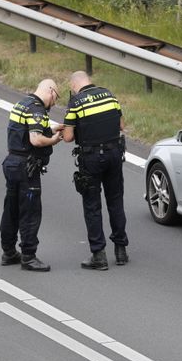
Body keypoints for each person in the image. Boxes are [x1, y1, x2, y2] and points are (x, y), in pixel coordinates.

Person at [63, 71, 129, 270]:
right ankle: (121, 251)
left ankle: (99, 255)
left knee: (92, 206)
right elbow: (122, 125)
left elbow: (67, 137)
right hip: (114, 154)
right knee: (115, 201)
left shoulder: (76, 102)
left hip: (91, 158)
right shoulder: (109, 95)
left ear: (74, 85)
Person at [0, 79, 64, 272]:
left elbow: (26, 131)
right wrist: (53, 140)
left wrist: (51, 129)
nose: (54, 102)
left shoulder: (21, 104)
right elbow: (35, 140)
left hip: (12, 162)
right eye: (56, 97)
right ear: (51, 91)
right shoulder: (37, 109)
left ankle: (9, 252)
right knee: (30, 212)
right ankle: (28, 256)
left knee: (11, 209)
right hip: (26, 167)